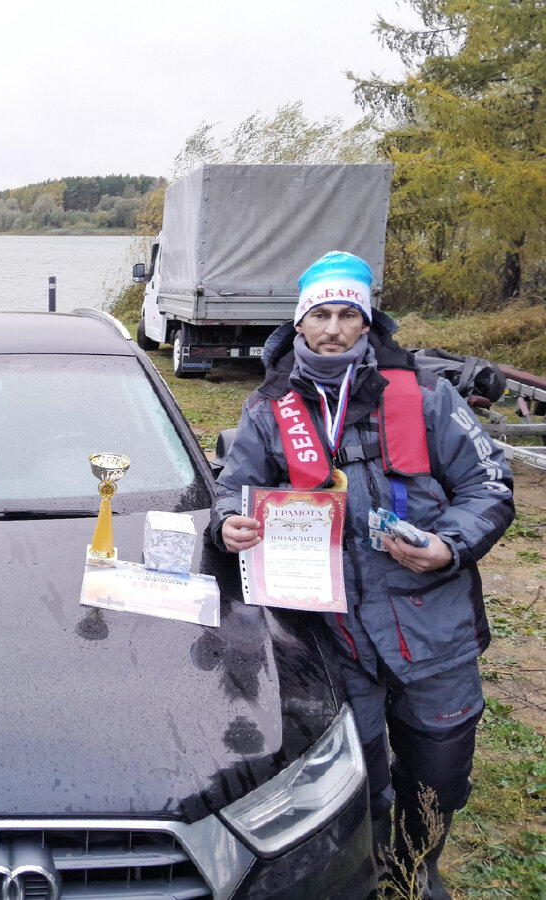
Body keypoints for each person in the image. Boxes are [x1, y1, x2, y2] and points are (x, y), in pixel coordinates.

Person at [210, 251, 514, 899]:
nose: (334, 327)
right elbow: (231, 494)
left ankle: (418, 870)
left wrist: (449, 544)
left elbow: (489, 486)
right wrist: (227, 525)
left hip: (436, 632)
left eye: (350, 313)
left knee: (438, 776)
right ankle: (376, 875)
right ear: (299, 324)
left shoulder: (429, 395)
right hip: (335, 640)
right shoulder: (269, 410)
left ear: (367, 320)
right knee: (360, 779)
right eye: (321, 313)